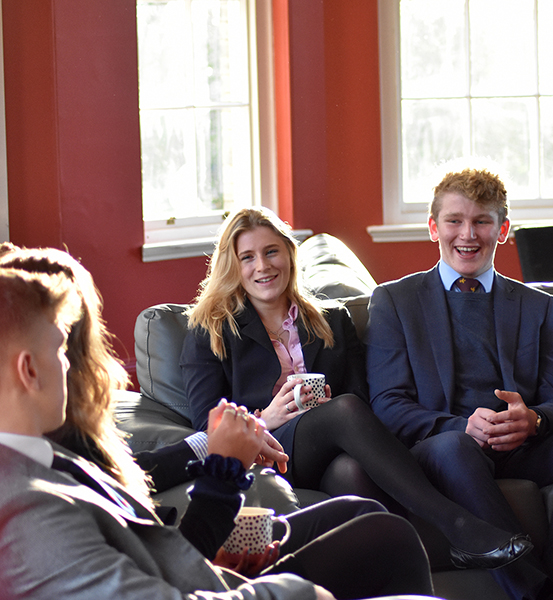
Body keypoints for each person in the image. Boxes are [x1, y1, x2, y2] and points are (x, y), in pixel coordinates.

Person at [0, 246, 435, 598]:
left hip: (190, 558)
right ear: (28, 369)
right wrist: (224, 467)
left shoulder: (42, 450)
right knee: (386, 537)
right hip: (197, 569)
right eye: (64, 347)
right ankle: (451, 525)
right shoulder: (30, 508)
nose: (83, 366)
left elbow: (138, 522)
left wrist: (208, 541)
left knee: (363, 509)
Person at [180, 206, 532, 570]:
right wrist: (264, 419)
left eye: (271, 252)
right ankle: (459, 526)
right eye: (247, 258)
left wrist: (329, 412)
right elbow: (206, 431)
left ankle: (404, 575)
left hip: (330, 451)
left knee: (354, 470)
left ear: (288, 253)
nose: (263, 266)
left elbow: (365, 402)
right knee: (344, 409)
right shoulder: (211, 330)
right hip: (268, 452)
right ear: (232, 266)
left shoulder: (332, 319)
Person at [365, 168, 553, 600]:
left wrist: (534, 420)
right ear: (434, 227)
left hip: (523, 447)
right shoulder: (395, 301)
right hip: (447, 448)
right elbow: (388, 405)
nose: (467, 234)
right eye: (454, 221)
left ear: (503, 229)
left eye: (482, 221)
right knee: (454, 447)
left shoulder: (537, 305)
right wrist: (460, 427)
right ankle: (533, 589)